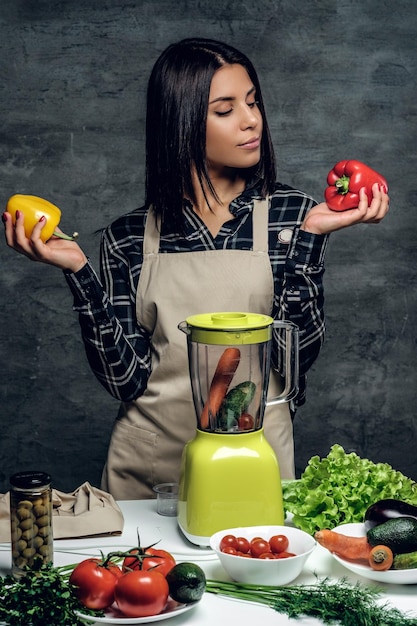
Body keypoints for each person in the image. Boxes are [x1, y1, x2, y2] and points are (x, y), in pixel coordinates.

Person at [3, 38, 389, 499]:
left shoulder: (293, 216)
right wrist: (79, 271)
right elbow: (124, 379)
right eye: (224, 110)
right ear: (181, 124)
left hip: (252, 460)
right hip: (150, 476)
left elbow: (292, 364)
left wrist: (310, 240)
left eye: (252, 102)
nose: (251, 121)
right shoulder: (128, 237)